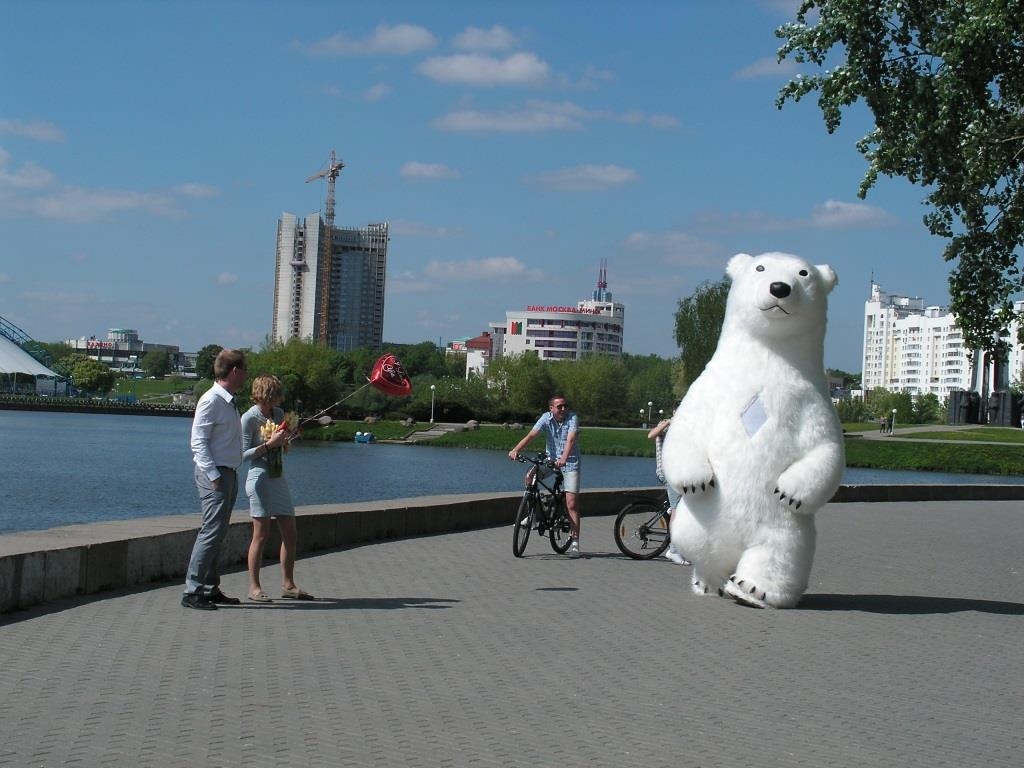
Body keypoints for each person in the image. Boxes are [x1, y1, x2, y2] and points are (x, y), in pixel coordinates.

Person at [182, 348, 248, 610]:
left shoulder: (229, 401)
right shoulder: (211, 400)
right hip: (216, 474)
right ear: (235, 371)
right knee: (211, 531)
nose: (246, 376)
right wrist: (213, 476)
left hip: (228, 471)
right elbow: (198, 442)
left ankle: (210, 587)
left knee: (218, 532)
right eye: (244, 371)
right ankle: (192, 590)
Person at [241, 374, 313, 602]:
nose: (279, 399)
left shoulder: (279, 414)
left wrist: (291, 437)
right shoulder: (249, 418)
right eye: (275, 395)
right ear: (265, 394)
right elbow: (242, 455)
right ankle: (254, 587)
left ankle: (288, 585)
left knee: (291, 533)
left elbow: (284, 442)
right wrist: (268, 444)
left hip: (277, 476)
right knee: (261, 534)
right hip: (259, 477)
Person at [508, 394, 582, 557]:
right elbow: (531, 435)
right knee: (530, 476)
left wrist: (564, 458)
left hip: (570, 462)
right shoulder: (545, 418)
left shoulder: (572, 418)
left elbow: (570, 440)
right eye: (559, 406)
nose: (563, 409)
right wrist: (516, 450)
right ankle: (533, 516)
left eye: (565, 406)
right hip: (550, 460)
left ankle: (575, 543)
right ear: (551, 408)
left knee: (571, 503)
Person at [648, 418, 691, 566]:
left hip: (677, 473)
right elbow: (651, 435)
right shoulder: (665, 425)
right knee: (677, 510)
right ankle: (673, 550)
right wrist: (667, 423)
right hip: (668, 473)